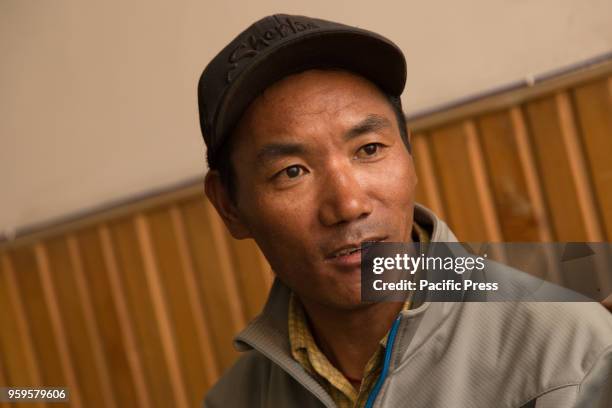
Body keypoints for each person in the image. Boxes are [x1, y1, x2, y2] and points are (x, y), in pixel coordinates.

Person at [198, 14, 612, 407]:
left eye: (370, 149)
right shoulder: (232, 401)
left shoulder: (570, 350)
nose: (348, 205)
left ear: (408, 152)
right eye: (292, 171)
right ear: (229, 206)